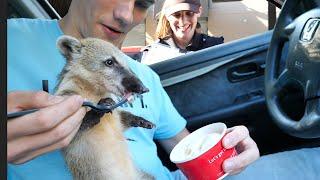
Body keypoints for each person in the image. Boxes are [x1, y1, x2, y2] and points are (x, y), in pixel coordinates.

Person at [7, 0, 260, 179]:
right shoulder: (12, 38)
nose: (126, 16)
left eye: (142, 2)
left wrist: (226, 152)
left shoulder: (145, 75)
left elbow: (187, 151)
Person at [141, 0, 224, 64]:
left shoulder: (216, 48)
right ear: (167, 15)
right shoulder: (152, 54)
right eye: (176, 14)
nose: (183, 22)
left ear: (199, 11)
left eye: (189, 13)